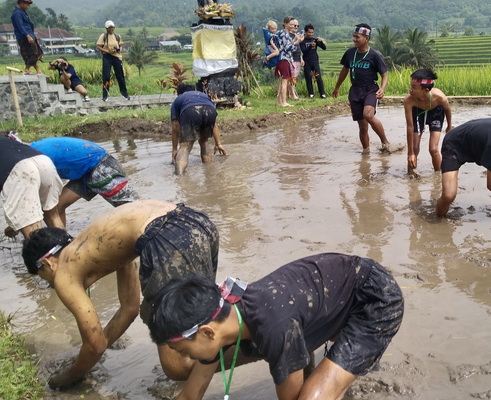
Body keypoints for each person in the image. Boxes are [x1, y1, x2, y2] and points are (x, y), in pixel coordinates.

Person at [147, 253, 404, 400]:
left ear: (206, 332)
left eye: (182, 350)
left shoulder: (273, 328)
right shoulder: (223, 313)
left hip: (374, 298)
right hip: (329, 296)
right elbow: (190, 395)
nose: (185, 357)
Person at [21, 200, 220, 389]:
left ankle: (247, 349)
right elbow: (130, 308)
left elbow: (95, 345)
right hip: (195, 223)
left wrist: (66, 377)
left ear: (47, 263)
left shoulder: (63, 271)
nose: (51, 284)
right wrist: (98, 349)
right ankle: (238, 342)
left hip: (167, 238)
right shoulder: (103, 243)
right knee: (203, 325)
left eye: (43, 276)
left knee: (176, 367)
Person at [29, 137, 139, 225]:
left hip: (101, 167)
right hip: (84, 171)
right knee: (56, 207)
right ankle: (62, 245)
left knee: (134, 209)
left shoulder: (28, 160)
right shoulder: (29, 152)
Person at [332, 24, 391, 153]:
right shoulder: (350, 53)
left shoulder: (374, 55)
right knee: (362, 126)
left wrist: (382, 88)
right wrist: (337, 87)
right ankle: (366, 153)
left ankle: (385, 142)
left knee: (368, 115)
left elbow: (384, 75)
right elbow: (345, 70)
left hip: (370, 89)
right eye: (354, 36)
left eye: (357, 37)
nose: (354, 39)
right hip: (355, 91)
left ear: (366, 38)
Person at [0, 135, 63, 239]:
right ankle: (65, 248)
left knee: (33, 230)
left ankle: (43, 253)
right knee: (53, 216)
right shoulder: (5, 138)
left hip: (20, 170)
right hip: (43, 161)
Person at [403, 68, 453, 175]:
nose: (410, 90)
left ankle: (438, 176)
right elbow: (410, 127)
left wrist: (449, 125)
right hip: (418, 113)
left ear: (426, 90)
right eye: (410, 86)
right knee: (415, 148)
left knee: (433, 149)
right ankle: (411, 176)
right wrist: (410, 153)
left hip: (435, 113)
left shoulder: (439, 97)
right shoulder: (409, 101)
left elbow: (448, 110)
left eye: (414, 87)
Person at [170, 83, 227, 175]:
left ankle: (179, 178)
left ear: (179, 93)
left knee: (185, 146)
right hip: (209, 110)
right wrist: (218, 143)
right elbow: (214, 124)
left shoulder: (178, 99)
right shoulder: (203, 96)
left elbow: (175, 126)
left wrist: (174, 149)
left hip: (190, 110)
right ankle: (209, 174)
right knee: (204, 141)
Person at [96, 20, 130, 101]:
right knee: (106, 76)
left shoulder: (117, 36)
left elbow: (120, 44)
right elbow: (98, 46)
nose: (111, 29)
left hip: (116, 57)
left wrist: (119, 49)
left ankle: (125, 94)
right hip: (107, 56)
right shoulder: (104, 36)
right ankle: (105, 95)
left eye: (112, 27)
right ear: (106, 28)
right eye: (109, 28)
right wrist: (107, 51)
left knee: (120, 76)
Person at [275, 16, 303, 107]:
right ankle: (283, 102)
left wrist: (295, 40)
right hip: (284, 59)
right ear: (285, 24)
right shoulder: (284, 34)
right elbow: (287, 48)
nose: (293, 26)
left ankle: (280, 101)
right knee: (284, 82)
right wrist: (297, 42)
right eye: (291, 24)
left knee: (282, 82)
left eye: (295, 25)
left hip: (284, 59)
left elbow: (287, 44)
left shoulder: (284, 33)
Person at [11, 0, 43, 75]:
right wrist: (27, 36)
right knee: (33, 53)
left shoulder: (23, 12)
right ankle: (27, 69)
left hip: (30, 35)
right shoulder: (17, 13)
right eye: (27, 4)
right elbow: (20, 26)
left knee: (38, 53)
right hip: (24, 36)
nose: (28, 6)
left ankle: (37, 69)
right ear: (21, 3)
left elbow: (28, 25)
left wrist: (34, 37)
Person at [300, 24, 327, 99]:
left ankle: (322, 93)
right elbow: (304, 51)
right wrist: (310, 46)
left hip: (315, 61)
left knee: (318, 77)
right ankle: (311, 94)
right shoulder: (302, 41)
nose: (311, 34)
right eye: (309, 32)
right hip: (307, 61)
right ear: (305, 32)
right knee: (308, 78)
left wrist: (320, 42)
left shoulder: (314, 40)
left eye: (312, 32)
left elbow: (324, 48)